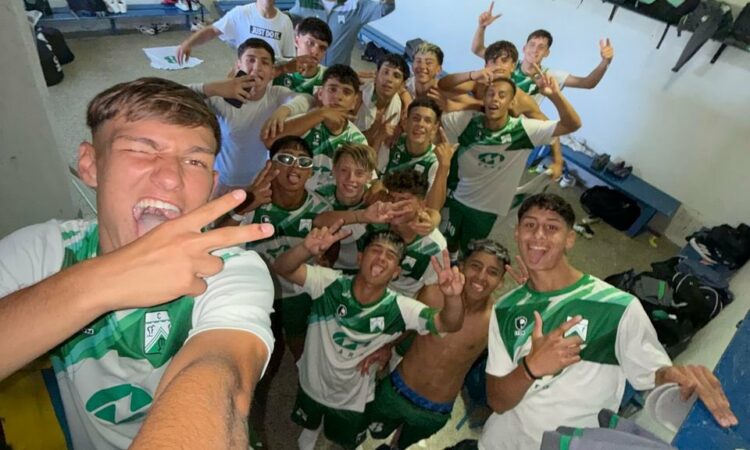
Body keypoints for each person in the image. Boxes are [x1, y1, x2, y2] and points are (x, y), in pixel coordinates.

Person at [0, 77, 276, 449]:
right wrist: (106, 281)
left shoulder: (231, 269)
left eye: (194, 160)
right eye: (140, 149)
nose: (170, 177)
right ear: (90, 164)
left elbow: (223, 376)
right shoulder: (41, 251)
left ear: (213, 183)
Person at [480, 193, 738, 450]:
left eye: (551, 227)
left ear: (570, 238)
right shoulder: (506, 308)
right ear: (517, 233)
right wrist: (529, 369)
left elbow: (654, 376)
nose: (538, 235)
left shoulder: (618, 308)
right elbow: (498, 401)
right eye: (530, 225)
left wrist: (676, 379)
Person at [273, 227, 465, 450]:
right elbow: (282, 268)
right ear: (360, 257)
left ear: (396, 272)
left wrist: (453, 298)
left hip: (354, 398)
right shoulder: (328, 283)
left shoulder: (400, 308)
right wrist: (305, 249)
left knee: (347, 441)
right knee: (308, 428)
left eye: (390, 255)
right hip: (311, 383)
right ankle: (311, 428)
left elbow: (448, 324)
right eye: (376, 250)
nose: (382, 258)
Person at [367, 239, 511, 450]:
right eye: (475, 266)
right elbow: (408, 326)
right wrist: (387, 346)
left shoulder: (497, 323)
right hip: (398, 388)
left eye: (492, 272)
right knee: (369, 430)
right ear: (461, 266)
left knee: (400, 445)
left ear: (501, 281)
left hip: (435, 408)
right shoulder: (433, 294)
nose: (481, 277)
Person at [440, 75, 580, 256]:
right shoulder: (467, 121)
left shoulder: (524, 130)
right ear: (484, 99)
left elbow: (572, 125)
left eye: (502, 95)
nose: (495, 99)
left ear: (512, 102)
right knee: (447, 242)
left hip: (486, 210)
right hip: (456, 197)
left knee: (471, 253)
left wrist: (555, 96)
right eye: (491, 94)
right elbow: (441, 96)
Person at [220, 136, 330, 361]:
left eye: (303, 162)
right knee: (259, 352)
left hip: (298, 290)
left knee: (300, 345)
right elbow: (218, 239)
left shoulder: (321, 208)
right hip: (257, 287)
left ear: (310, 172)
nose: (295, 167)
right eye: (286, 159)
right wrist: (245, 206)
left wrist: (325, 257)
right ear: (270, 165)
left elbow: (329, 250)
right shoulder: (253, 201)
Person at [189, 38, 312, 194]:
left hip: (259, 182)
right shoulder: (221, 96)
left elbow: (307, 100)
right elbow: (172, 94)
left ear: (272, 72)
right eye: (251, 60)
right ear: (238, 65)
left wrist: (284, 110)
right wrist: (211, 88)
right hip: (222, 181)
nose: (257, 67)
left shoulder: (275, 95)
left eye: (265, 63)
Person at [471, 2, 614, 103]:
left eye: (541, 47)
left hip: (517, 127)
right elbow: (477, 49)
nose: (535, 49)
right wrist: (482, 27)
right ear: (524, 48)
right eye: (532, 45)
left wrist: (605, 62)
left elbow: (587, 83)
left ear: (547, 53)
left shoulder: (549, 76)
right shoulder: (507, 63)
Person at [263, 64, 367, 191]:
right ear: (320, 93)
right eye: (332, 89)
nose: (338, 97)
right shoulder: (304, 121)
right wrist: (321, 113)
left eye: (346, 92)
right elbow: (269, 142)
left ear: (355, 102)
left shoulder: (357, 140)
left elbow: (364, 182)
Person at [369, 97, 457, 211]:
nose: (420, 124)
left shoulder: (436, 160)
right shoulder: (393, 141)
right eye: (416, 118)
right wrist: (378, 139)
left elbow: (433, 209)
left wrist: (444, 166)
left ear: (435, 127)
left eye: (427, 121)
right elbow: (371, 173)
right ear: (406, 122)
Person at [312, 143, 379, 271]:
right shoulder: (317, 197)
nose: (351, 179)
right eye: (344, 170)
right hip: (322, 270)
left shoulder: (377, 204)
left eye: (359, 173)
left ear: (370, 177)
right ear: (334, 170)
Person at [176, 0, 295, 64]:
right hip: (245, 77)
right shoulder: (240, 13)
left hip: (272, 80)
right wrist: (188, 43)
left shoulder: (285, 21)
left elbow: (288, 58)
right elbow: (213, 30)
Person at [288, 0, 396, 66]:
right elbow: (288, 19)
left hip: (337, 75)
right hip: (307, 71)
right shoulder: (305, 2)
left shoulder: (356, 6)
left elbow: (385, 8)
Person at [356, 53, 410, 146]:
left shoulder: (400, 106)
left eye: (396, 76)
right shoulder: (358, 96)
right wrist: (375, 132)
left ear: (403, 84)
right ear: (376, 74)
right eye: (385, 72)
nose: (389, 79)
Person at [273, 17, 333, 95]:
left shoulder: (329, 79)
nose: (316, 52)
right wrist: (282, 69)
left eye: (322, 48)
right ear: (296, 41)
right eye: (310, 43)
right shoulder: (276, 67)